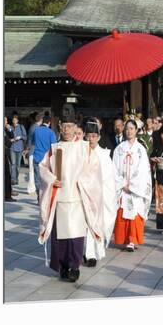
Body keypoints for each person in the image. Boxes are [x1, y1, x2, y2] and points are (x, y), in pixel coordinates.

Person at [38, 114, 104, 283]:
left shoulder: (84, 147)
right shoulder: (55, 148)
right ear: (59, 126)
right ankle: (62, 266)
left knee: (75, 235)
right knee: (60, 236)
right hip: (59, 197)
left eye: (70, 126)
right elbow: (43, 167)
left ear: (76, 127)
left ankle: (74, 266)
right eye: (64, 125)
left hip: (76, 196)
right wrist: (52, 180)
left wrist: (81, 181)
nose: (67, 129)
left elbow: (93, 170)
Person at [112, 119, 152, 251]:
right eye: (127, 128)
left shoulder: (141, 149)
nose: (129, 131)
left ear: (136, 131)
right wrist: (122, 183)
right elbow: (114, 168)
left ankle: (133, 240)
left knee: (135, 212)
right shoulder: (119, 149)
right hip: (122, 187)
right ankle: (124, 239)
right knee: (123, 211)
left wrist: (133, 185)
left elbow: (143, 170)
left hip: (136, 189)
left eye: (132, 129)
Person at [83, 119, 118, 267]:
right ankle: (87, 253)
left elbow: (109, 178)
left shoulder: (104, 155)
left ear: (98, 137)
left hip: (100, 196)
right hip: (84, 194)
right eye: (88, 136)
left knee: (97, 225)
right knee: (85, 225)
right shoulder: (81, 153)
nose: (91, 139)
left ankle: (94, 252)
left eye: (93, 136)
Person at [32, 115, 57, 200]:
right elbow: (54, 147)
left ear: (42, 121)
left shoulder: (36, 131)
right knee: (46, 178)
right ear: (49, 123)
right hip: (46, 159)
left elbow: (33, 142)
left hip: (36, 157)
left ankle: (39, 195)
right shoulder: (51, 132)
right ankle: (44, 196)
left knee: (37, 178)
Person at [8, 113, 27, 185]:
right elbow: (7, 137)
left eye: (15, 119)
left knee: (18, 165)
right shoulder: (10, 127)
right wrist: (11, 139)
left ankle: (16, 178)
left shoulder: (21, 127)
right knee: (13, 164)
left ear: (17, 120)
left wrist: (20, 137)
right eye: (13, 120)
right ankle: (13, 179)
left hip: (20, 148)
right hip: (12, 147)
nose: (14, 121)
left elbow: (25, 137)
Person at [4, 117, 17, 202]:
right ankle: (7, 195)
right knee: (6, 174)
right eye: (5, 121)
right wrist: (11, 141)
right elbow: (7, 142)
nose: (7, 122)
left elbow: (12, 136)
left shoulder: (6, 129)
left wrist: (9, 129)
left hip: (5, 153)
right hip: (4, 152)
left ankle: (8, 192)